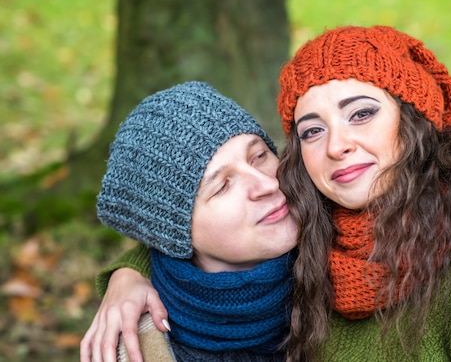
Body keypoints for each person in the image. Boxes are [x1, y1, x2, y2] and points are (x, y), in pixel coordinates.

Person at [83, 26, 451, 361]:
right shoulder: (315, 233)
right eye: (312, 130)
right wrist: (129, 275)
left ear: (412, 120)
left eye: (362, 113)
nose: (340, 145)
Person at [80, 81, 298, 362]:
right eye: (222, 186)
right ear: (175, 233)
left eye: (258, 156)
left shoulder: (348, 270)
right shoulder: (141, 349)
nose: (267, 184)